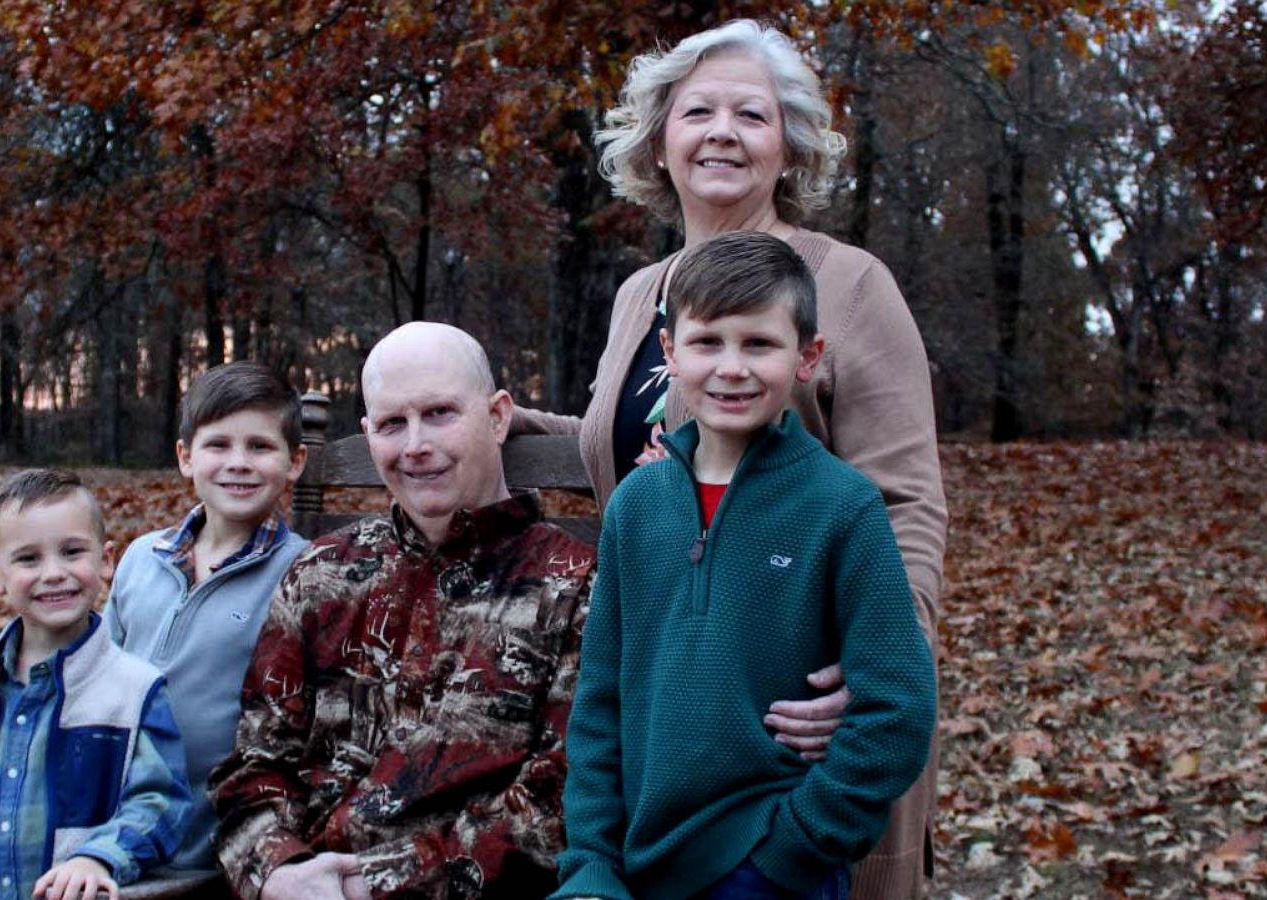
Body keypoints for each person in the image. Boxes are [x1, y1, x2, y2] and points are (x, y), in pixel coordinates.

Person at [514, 20, 947, 896]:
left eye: (750, 114)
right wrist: (514, 424)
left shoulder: (850, 284)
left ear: (786, 145)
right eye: (696, 111)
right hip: (678, 714)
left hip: (793, 724)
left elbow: (905, 496)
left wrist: (870, 676)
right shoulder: (647, 294)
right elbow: (644, 446)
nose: (721, 130)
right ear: (660, 142)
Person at [553, 232, 936, 900]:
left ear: (808, 357)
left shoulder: (842, 509)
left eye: (759, 344)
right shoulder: (636, 508)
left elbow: (897, 708)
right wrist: (590, 864)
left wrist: (798, 844)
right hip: (633, 869)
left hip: (768, 864)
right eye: (708, 343)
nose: (732, 368)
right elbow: (599, 705)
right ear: (671, 354)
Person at [208, 322, 596, 900]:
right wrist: (278, 872)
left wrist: (372, 885)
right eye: (392, 423)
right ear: (368, 436)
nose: (415, 445)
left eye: (439, 413)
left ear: (496, 417)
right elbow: (254, 765)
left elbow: (559, 802)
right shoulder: (321, 574)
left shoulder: (574, 587)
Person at [0, 469, 191, 900]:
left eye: (72, 552)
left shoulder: (135, 691)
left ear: (106, 561)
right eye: (28, 559)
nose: (54, 573)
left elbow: (161, 804)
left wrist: (98, 856)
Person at [105, 362, 311, 872]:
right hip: (108, 816)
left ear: (295, 462)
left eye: (260, 447)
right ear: (185, 457)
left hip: (213, 838)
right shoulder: (140, 558)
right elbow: (98, 673)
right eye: (218, 445)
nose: (238, 462)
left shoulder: (307, 572)